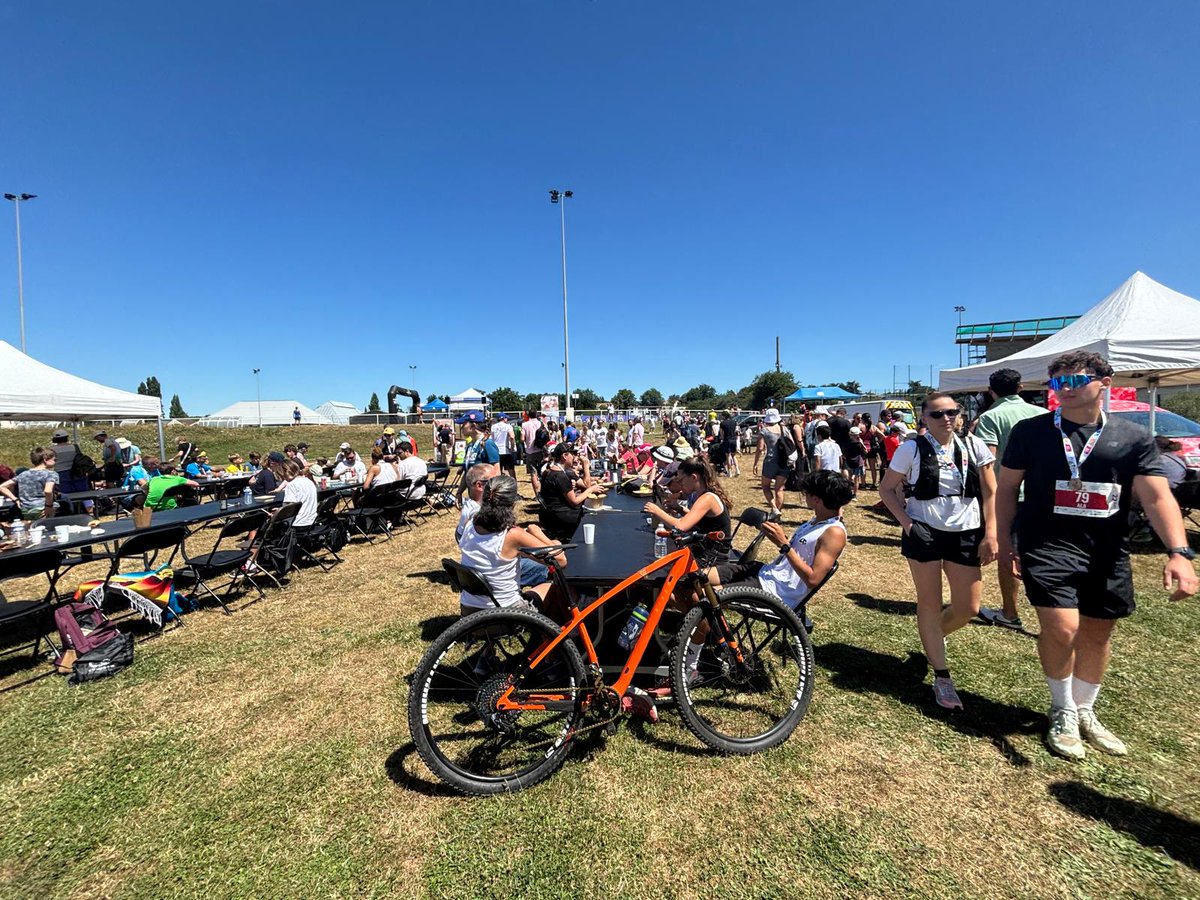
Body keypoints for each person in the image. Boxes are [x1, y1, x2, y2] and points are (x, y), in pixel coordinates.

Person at [996, 351, 1196, 759]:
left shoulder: (1132, 437)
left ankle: (1086, 709)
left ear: (1105, 382)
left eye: (1074, 380)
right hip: (1046, 544)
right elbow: (1006, 491)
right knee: (1063, 628)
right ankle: (1063, 707)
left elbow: (1157, 496)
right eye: (1057, 383)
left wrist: (1179, 551)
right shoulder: (1031, 432)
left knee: (1098, 632)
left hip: (1106, 549)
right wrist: (1003, 539)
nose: (1064, 390)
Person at [880, 392, 998, 711]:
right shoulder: (911, 448)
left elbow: (990, 493)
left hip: (966, 531)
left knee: (968, 607)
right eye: (937, 414)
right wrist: (906, 522)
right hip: (924, 530)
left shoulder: (974, 446)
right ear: (924, 419)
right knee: (930, 602)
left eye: (952, 412)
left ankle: (933, 636)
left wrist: (992, 533)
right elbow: (886, 489)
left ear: (960, 415)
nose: (946, 418)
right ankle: (941, 674)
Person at [972, 367, 1050, 630]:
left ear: (991, 391)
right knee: (1042, 554)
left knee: (1009, 553)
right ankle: (1053, 613)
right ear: (1020, 388)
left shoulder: (990, 417)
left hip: (1009, 495)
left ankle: (1010, 611)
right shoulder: (1044, 414)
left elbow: (986, 462)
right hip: (1045, 495)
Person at [711, 470, 852, 615]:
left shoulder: (834, 533)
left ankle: (712, 637)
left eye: (806, 493)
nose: (804, 496)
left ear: (816, 499)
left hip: (776, 593)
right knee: (696, 579)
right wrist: (777, 536)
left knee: (703, 597)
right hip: (765, 573)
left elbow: (813, 579)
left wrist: (783, 544)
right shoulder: (817, 521)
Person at [458, 475, 567, 617]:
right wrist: (539, 533)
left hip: (469, 612)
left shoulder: (469, 524)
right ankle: (552, 635)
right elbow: (561, 561)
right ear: (513, 504)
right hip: (504, 615)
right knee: (553, 586)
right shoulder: (513, 535)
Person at [538, 442, 605, 541]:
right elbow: (574, 502)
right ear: (565, 456)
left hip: (549, 516)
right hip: (560, 516)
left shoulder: (550, 472)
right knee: (592, 517)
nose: (574, 457)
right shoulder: (560, 476)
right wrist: (591, 489)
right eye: (572, 455)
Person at [0, 447, 59, 520]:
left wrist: (15, 500)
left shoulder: (23, 474)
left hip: (26, 509)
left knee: (31, 528)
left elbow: (2, 487)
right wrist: (49, 506)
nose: (55, 461)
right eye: (54, 459)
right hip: (43, 508)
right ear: (45, 459)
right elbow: (48, 491)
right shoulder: (51, 474)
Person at [753, 408, 789, 518]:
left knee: (765, 486)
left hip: (770, 461)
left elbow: (760, 448)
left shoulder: (764, 431)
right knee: (779, 489)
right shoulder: (784, 429)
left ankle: (774, 508)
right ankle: (777, 512)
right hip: (784, 461)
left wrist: (755, 463)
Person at [458, 417, 499, 502]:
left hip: (487, 498)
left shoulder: (488, 444)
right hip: (474, 498)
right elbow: (468, 473)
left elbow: (496, 472)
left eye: (464, 424)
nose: (461, 427)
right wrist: (459, 492)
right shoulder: (470, 447)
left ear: (473, 426)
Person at [718, 411, 740, 476]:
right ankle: (737, 470)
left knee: (728, 456)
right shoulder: (734, 422)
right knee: (734, 455)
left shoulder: (722, 423)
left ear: (724, 416)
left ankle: (730, 472)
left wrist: (721, 439)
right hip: (733, 439)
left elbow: (722, 434)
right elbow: (736, 431)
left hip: (727, 440)